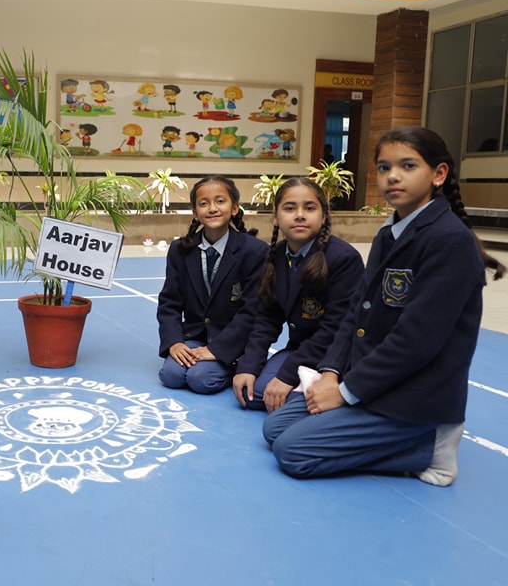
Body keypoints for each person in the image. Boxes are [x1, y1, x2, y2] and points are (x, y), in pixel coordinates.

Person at [263, 126, 506, 486]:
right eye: (383, 167)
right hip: (373, 382)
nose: (392, 176)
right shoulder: (389, 232)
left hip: (411, 397)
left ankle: (431, 445)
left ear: (439, 174)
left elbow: (415, 342)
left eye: (408, 166)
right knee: (275, 427)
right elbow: (354, 315)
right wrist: (331, 372)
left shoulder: (448, 241)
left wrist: (345, 392)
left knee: (292, 452)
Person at [233, 177, 364, 411]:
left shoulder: (344, 259)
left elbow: (334, 329)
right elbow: (266, 319)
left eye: (310, 208)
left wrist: (286, 376)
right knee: (254, 393)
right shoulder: (275, 255)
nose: (300, 215)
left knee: (281, 398)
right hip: (302, 350)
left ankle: (336, 394)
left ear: (324, 216)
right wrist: (248, 366)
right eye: (290, 208)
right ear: (275, 216)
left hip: (338, 355)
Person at [157, 175, 267, 393]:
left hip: (233, 341)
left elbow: (251, 310)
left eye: (220, 201)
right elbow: (169, 302)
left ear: (234, 208)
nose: (212, 208)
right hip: (195, 337)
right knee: (171, 375)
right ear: (195, 213)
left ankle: (234, 363)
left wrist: (219, 350)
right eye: (204, 203)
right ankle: (201, 357)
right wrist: (174, 342)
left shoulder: (254, 251)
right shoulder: (180, 249)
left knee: (201, 380)